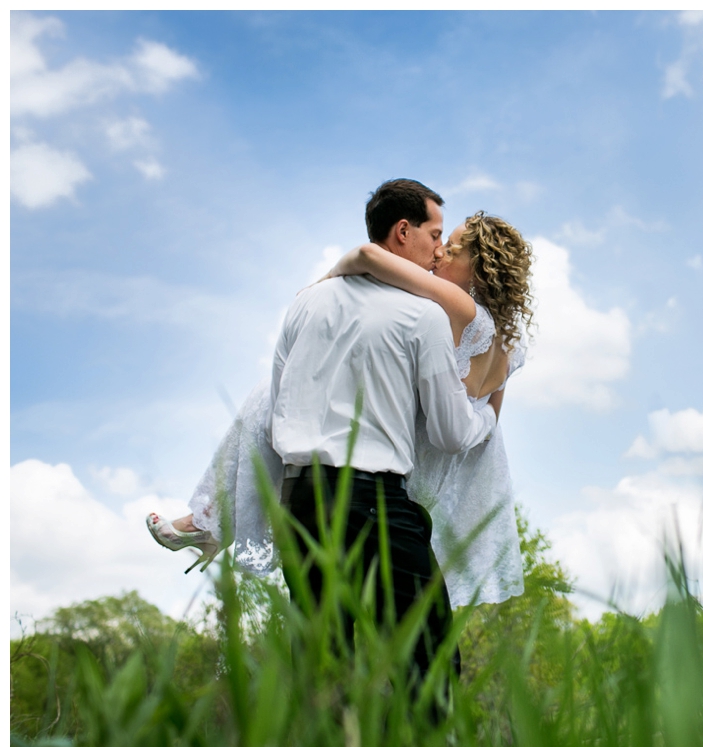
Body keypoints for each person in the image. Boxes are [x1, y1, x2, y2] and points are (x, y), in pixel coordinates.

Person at [147, 178, 533, 672]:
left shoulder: (446, 308)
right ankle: (424, 745)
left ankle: (210, 519)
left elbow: (366, 258)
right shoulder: (502, 341)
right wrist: (483, 419)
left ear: (476, 268)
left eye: (449, 245)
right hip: (395, 480)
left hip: (330, 491)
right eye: (437, 238)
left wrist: (338, 272)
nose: (438, 254)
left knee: (325, 657)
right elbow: (483, 415)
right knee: (424, 656)